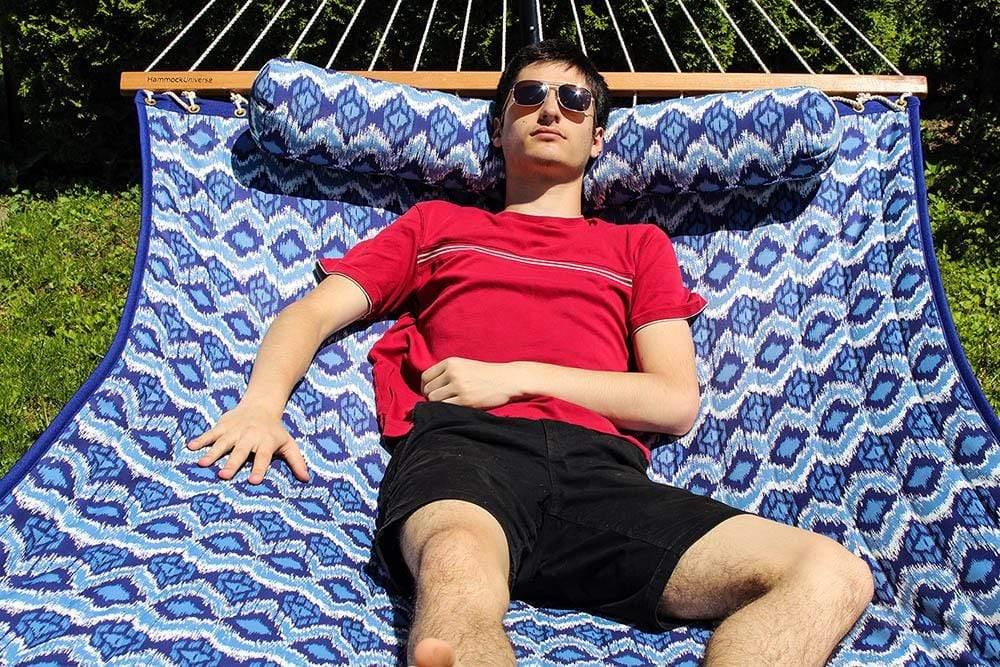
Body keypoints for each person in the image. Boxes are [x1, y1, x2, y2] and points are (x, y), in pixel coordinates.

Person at [186, 39, 874, 667]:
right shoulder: (438, 224)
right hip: (465, 452)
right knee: (456, 568)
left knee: (830, 573)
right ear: (498, 126)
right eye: (529, 95)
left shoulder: (636, 247)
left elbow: (673, 400)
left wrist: (513, 377)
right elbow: (314, 310)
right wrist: (260, 405)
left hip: (604, 476)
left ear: (597, 137)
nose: (551, 108)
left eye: (574, 101)